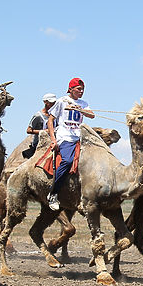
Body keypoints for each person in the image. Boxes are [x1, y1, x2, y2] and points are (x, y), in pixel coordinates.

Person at [46, 78, 95, 211]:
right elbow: (50, 121)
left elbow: (92, 115)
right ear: (71, 89)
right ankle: (53, 193)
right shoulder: (62, 101)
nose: (81, 91)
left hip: (80, 136)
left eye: (83, 89)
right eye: (79, 89)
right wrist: (53, 139)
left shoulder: (83, 103)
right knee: (67, 161)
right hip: (65, 137)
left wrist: (80, 109)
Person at [22, 93, 57, 159]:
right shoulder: (38, 116)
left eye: (54, 103)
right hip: (39, 144)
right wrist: (43, 131)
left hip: (53, 141)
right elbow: (28, 130)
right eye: (51, 102)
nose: (53, 104)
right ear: (45, 102)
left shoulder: (55, 115)